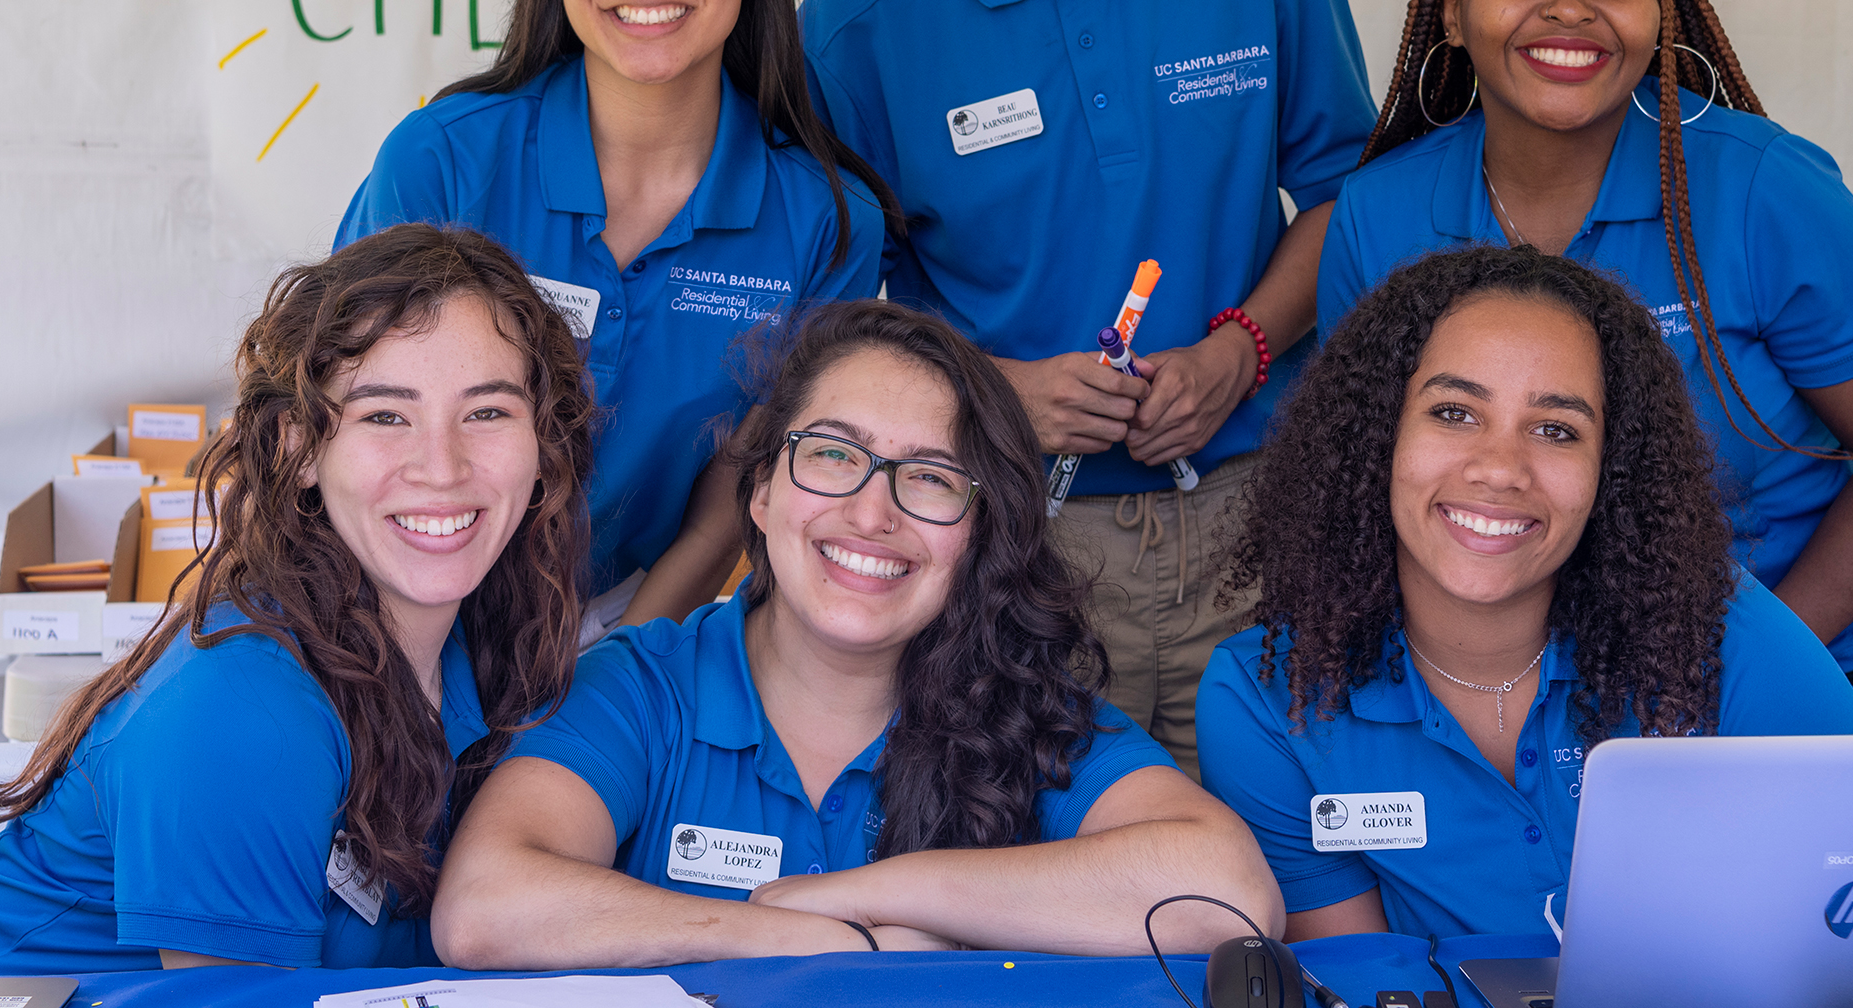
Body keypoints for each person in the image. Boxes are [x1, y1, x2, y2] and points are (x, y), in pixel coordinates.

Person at [798, 0, 1375, 775]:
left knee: (1279, 873)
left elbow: (1349, 197)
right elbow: (834, 306)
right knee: (1042, 890)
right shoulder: (858, 19)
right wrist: (991, 388)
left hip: (1265, 517)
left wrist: (1241, 349)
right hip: (1013, 540)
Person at [1317, 0, 1853, 732]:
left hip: (1829, 647)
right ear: (1454, 13)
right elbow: (1366, 477)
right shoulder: (1379, 215)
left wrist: (1745, 673)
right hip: (1554, 688)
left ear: (1660, 15)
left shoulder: (1761, 190)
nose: (1571, 10)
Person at [432, 299, 1280, 965]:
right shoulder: (644, 685)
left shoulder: (1026, 707)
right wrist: (794, 935)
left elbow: (1228, 893)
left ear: (980, 530)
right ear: (760, 495)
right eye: (834, 455)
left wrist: (870, 893)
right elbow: (482, 906)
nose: (873, 514)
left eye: (932, 476)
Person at [341, 0, 894, 638]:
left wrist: (612, 682)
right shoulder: (443, 161)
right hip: (393, 598)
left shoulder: (828, 220)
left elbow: (729, 508)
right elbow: (350, 430)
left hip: (631, 621)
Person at [1199, 246, 1853, 942]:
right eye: (1455, 412)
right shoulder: (1267, 696)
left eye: (1556, 430)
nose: (1499, 469)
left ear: (1610, 472)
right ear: (1377, 438)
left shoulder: (1717, 627)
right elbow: (1362, 981)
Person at [0, 225, 593, 971]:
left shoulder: (474, 651)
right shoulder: (248, 708)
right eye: (384, 415)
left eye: (486, 412)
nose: (441, 466)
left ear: (543, 445)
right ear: (299, 449)